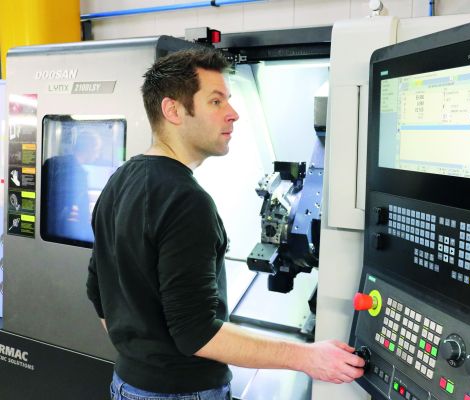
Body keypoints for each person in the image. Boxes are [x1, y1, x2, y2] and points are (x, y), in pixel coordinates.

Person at [86, 47, 365, 400]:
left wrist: (144, 352)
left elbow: (98, 292)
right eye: (216, 102)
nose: (232, 114)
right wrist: (309, 357)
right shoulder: (186, 201)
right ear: (172, 110)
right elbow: (197, 334)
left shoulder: (120, 179)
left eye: (229, 101)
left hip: (128, 383)